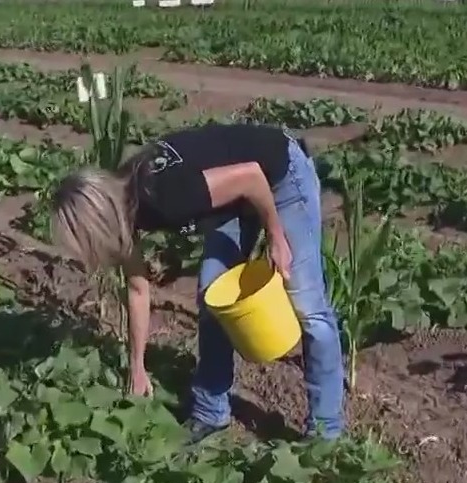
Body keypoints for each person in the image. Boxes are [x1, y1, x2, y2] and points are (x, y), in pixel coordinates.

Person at [50, 123, 345, 444]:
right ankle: (211, 409)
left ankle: (325, 431)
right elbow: (137, 288)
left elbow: (250, 176)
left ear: (98, 223)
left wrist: (275, 235)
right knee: (212, 295)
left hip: (279, 175)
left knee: (309, 307)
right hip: (235, 197)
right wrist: (137, 367)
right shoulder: (123, 205)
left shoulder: (164, 194)